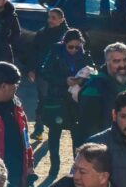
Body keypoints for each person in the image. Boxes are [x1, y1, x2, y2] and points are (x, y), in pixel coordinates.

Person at [37, 29, 94, 176]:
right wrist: (64, 81)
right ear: (64, 44)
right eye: (71, 47)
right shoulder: (56, 52)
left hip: (75, 102)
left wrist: (83, 79)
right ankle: (54, 167)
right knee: (54, 134)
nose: (74, 50)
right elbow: (45, 72)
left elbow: (93, 72)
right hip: (57, 99)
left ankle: (76, 168)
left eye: (77, 47)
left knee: (77, 136)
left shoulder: (85, 55)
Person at [76, 42, 126, 144]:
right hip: (107, 148)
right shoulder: (94, 87)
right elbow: (87, 128)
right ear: (107, 63)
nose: (122, 65)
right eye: (116, 61)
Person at [27, 8, 69, 142]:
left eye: (54, 18)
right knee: (43, 100)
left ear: (62, 19)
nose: (50, 20)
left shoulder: (67, 35)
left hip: (61, 75)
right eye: (49, 17)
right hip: (43, 74)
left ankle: (55, 130)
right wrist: (32, 69)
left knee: (58, 102)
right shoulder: (42, 33)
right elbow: (33, 52)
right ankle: (39, 130)